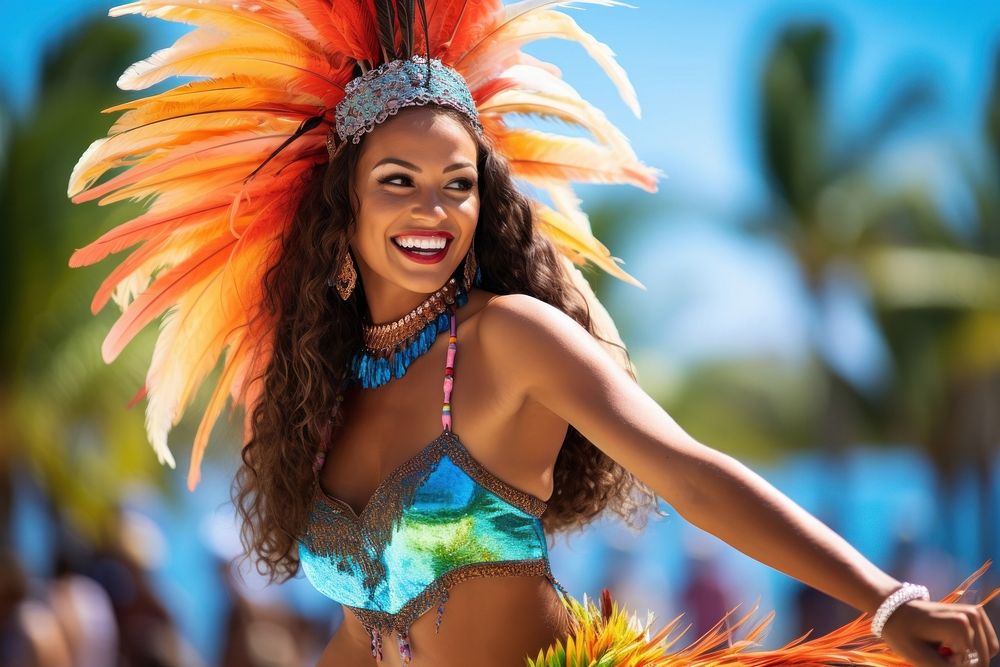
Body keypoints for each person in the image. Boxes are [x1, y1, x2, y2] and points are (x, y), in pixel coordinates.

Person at [67, 1, 998, 665]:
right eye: (398, 180)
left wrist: (884, 599)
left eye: (458, 182)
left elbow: (687, 471)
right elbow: (362, 630)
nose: (434, 207)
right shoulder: (324, 389)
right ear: (340, 212)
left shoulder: (509, 339)